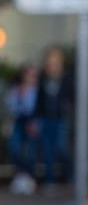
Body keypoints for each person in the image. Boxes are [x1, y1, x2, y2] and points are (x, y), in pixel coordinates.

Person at [33, 46, 74, 190]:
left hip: (61, 118)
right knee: (47, 150)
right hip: (45, 117)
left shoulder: (67, 78)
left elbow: (72, 97)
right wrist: (36, 118)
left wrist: (68, 108)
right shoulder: (43, 78)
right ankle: (50, 180)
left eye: (55, 62)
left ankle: (70, 174)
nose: (52, 65)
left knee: (60, 147)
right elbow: (39, 100)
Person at [5, 64, 39, 195]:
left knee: (30, 151)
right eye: (28, 74)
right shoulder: (15, 90)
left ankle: (29, 178)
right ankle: (19, 177)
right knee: (15, 148)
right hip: (18, 122)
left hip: (31, 122)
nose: (31, 77)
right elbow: (10, 106)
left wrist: (34, 123)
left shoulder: (38, 90)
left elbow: (38, 109)